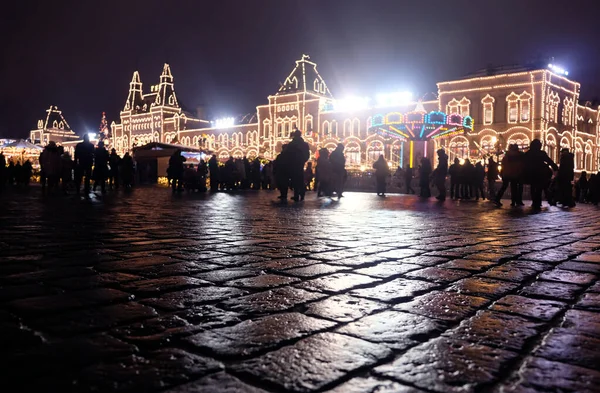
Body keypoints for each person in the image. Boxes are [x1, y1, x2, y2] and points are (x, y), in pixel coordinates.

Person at [523, 139, 558, 211]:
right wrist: (554, 166)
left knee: (533, 187)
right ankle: (538, 202)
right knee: (539, 187)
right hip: (540, 173)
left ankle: (535, 201)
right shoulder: (541, 153)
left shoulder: (528, 153)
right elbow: (548, 160)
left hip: (531, 173)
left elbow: (523, 162)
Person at [286, 129, 310, 201]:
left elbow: (288, 154)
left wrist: (290, 162)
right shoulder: (304, 144)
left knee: (295, 179)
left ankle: (296, 194)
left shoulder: (292, 144)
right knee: (300, 178)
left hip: (293, 163)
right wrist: (303, 160)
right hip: (300, 163)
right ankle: (302, 194)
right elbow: (307, 154)